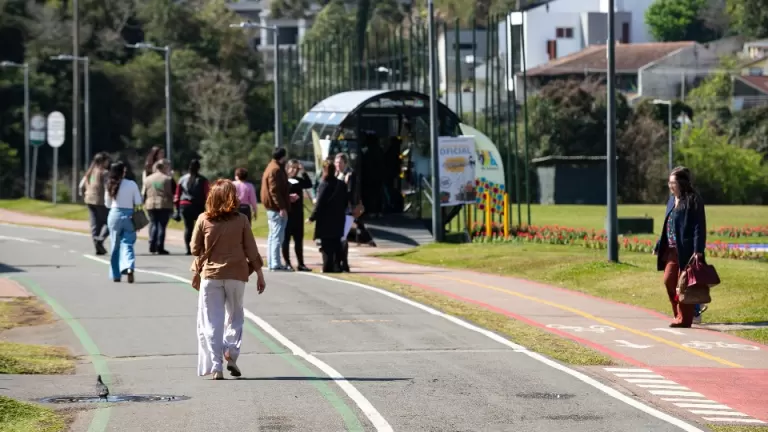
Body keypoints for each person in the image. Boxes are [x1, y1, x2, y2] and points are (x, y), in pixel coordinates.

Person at [191, 179, 266, 380]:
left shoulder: (203, 219)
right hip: (236, 275)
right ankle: (231, 353)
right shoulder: (241, 219)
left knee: (212, 322)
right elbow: (251, 249)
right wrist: (259, 274)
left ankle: (217, 367)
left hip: (211, 277)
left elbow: (194, 249)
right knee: (234, 316)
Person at [654, 166, 707, 329]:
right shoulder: (671, 200)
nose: (670, 186)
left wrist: (698, 250)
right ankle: (679, 314)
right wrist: (658, 244)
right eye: (669, 182)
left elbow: (699, 226)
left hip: (687, 250)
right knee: (669, 280)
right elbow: (667, 224)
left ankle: (685, 319)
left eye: (673, 182)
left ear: (682, 183)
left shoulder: (693, 199)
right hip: (671, 249)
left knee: (684, 285)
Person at [104, 161, 143, 283]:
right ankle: (129, 267)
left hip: (114, 215)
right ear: (123, 171)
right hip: (129, 216)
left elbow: (107, 204)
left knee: (115, 245)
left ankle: (116, 274)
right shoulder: (131, 184)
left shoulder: (110, 185)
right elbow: (138, 202)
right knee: (128, 244)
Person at [308, 161, 348, 273]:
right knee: (336, 243)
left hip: (326, 220)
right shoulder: (341, 184)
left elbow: (319, 204)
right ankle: (338, 265)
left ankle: (327, 266)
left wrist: (312, 217)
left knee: (326, 246)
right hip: (339, 218)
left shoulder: (324, 184)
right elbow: (345, 202)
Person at [260, 148, 294, 271]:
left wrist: (287, 197)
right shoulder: (276, 169)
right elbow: (274, 191)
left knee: (272, 236)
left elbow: (277, 189)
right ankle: (275, 263)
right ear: (283, 157)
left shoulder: (271, 166)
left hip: (272, 207)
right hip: (276, 208)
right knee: (277, 237)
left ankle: (271, 262)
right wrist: (282, 207)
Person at [283, 160, 313, 271]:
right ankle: (287, 263)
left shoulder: (299, 180)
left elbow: (309, 184)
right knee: (286, 239)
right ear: (287, 168)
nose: (294, 170)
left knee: (298, 240)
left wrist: (304, 172)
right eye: (292, 168)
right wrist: (289, 196)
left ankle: (301, 263)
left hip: (298, 214)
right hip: (288, 214)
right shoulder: (284, 181)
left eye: (296, 168)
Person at [175, 159, 209, 255]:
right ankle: (198, 247)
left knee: (188, 228)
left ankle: (188, 249)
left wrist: (177, 209)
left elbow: (177, 195)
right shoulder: (203, 180)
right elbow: (207, 195)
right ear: (199, 168)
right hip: (198, 206)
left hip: (185, 205)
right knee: (200, 228)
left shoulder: (182, 179)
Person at [79, 152, 111, 255]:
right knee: (110, 222)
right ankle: (100, 239)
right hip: (100, 200)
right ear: (103, 161)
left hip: (89, 199)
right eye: (107, 160)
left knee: (95, 223)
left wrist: (84, 194)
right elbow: (107, 187)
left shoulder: (90, 172)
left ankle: (97, 245)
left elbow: (82, 185)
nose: (108, 162)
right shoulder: (104, 172)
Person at [142, 158, 175, 255]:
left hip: (150, 203)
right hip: (163, 204)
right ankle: (160, 246)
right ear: (163, 168)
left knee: (153, 223)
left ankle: (152, 244)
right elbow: (170, 192)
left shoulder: (148, 179)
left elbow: (144, 192)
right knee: (161, 225)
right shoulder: (167, 179)